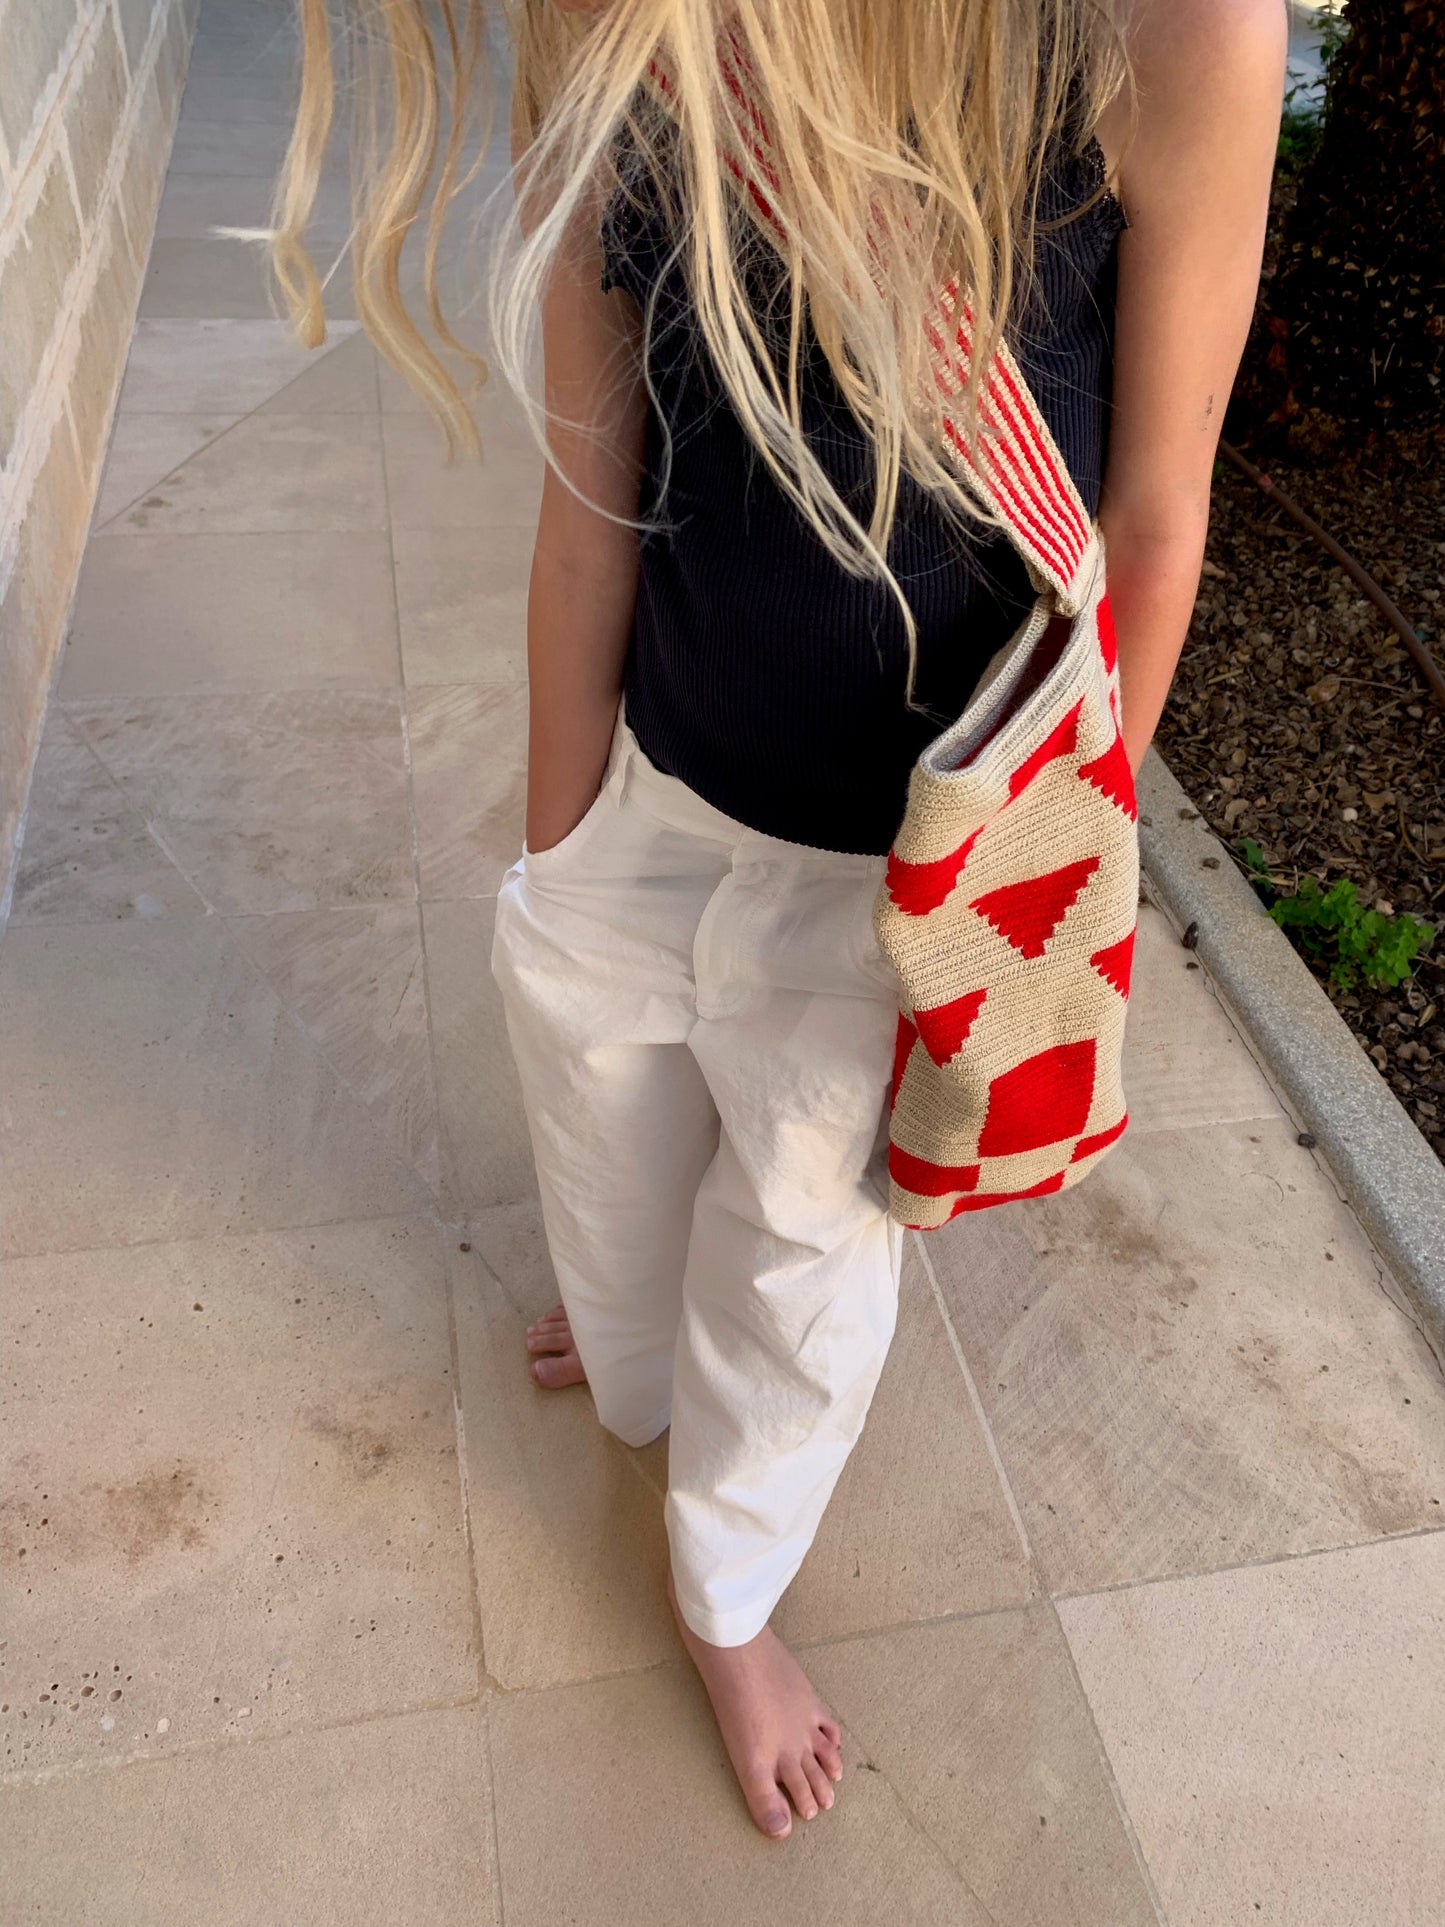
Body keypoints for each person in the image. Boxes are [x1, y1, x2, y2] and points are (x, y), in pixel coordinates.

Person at [277, 0, 1284, 1841]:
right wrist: (561, 860)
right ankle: (628, 1331)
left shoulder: (1169, 33)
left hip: (902, 878)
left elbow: (1149, 525)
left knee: (797, 1267)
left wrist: (1028, 906)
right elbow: (591, 502)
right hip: (651, 797)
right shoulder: (624, 17)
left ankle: (724, 1597)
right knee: (599, 1136)